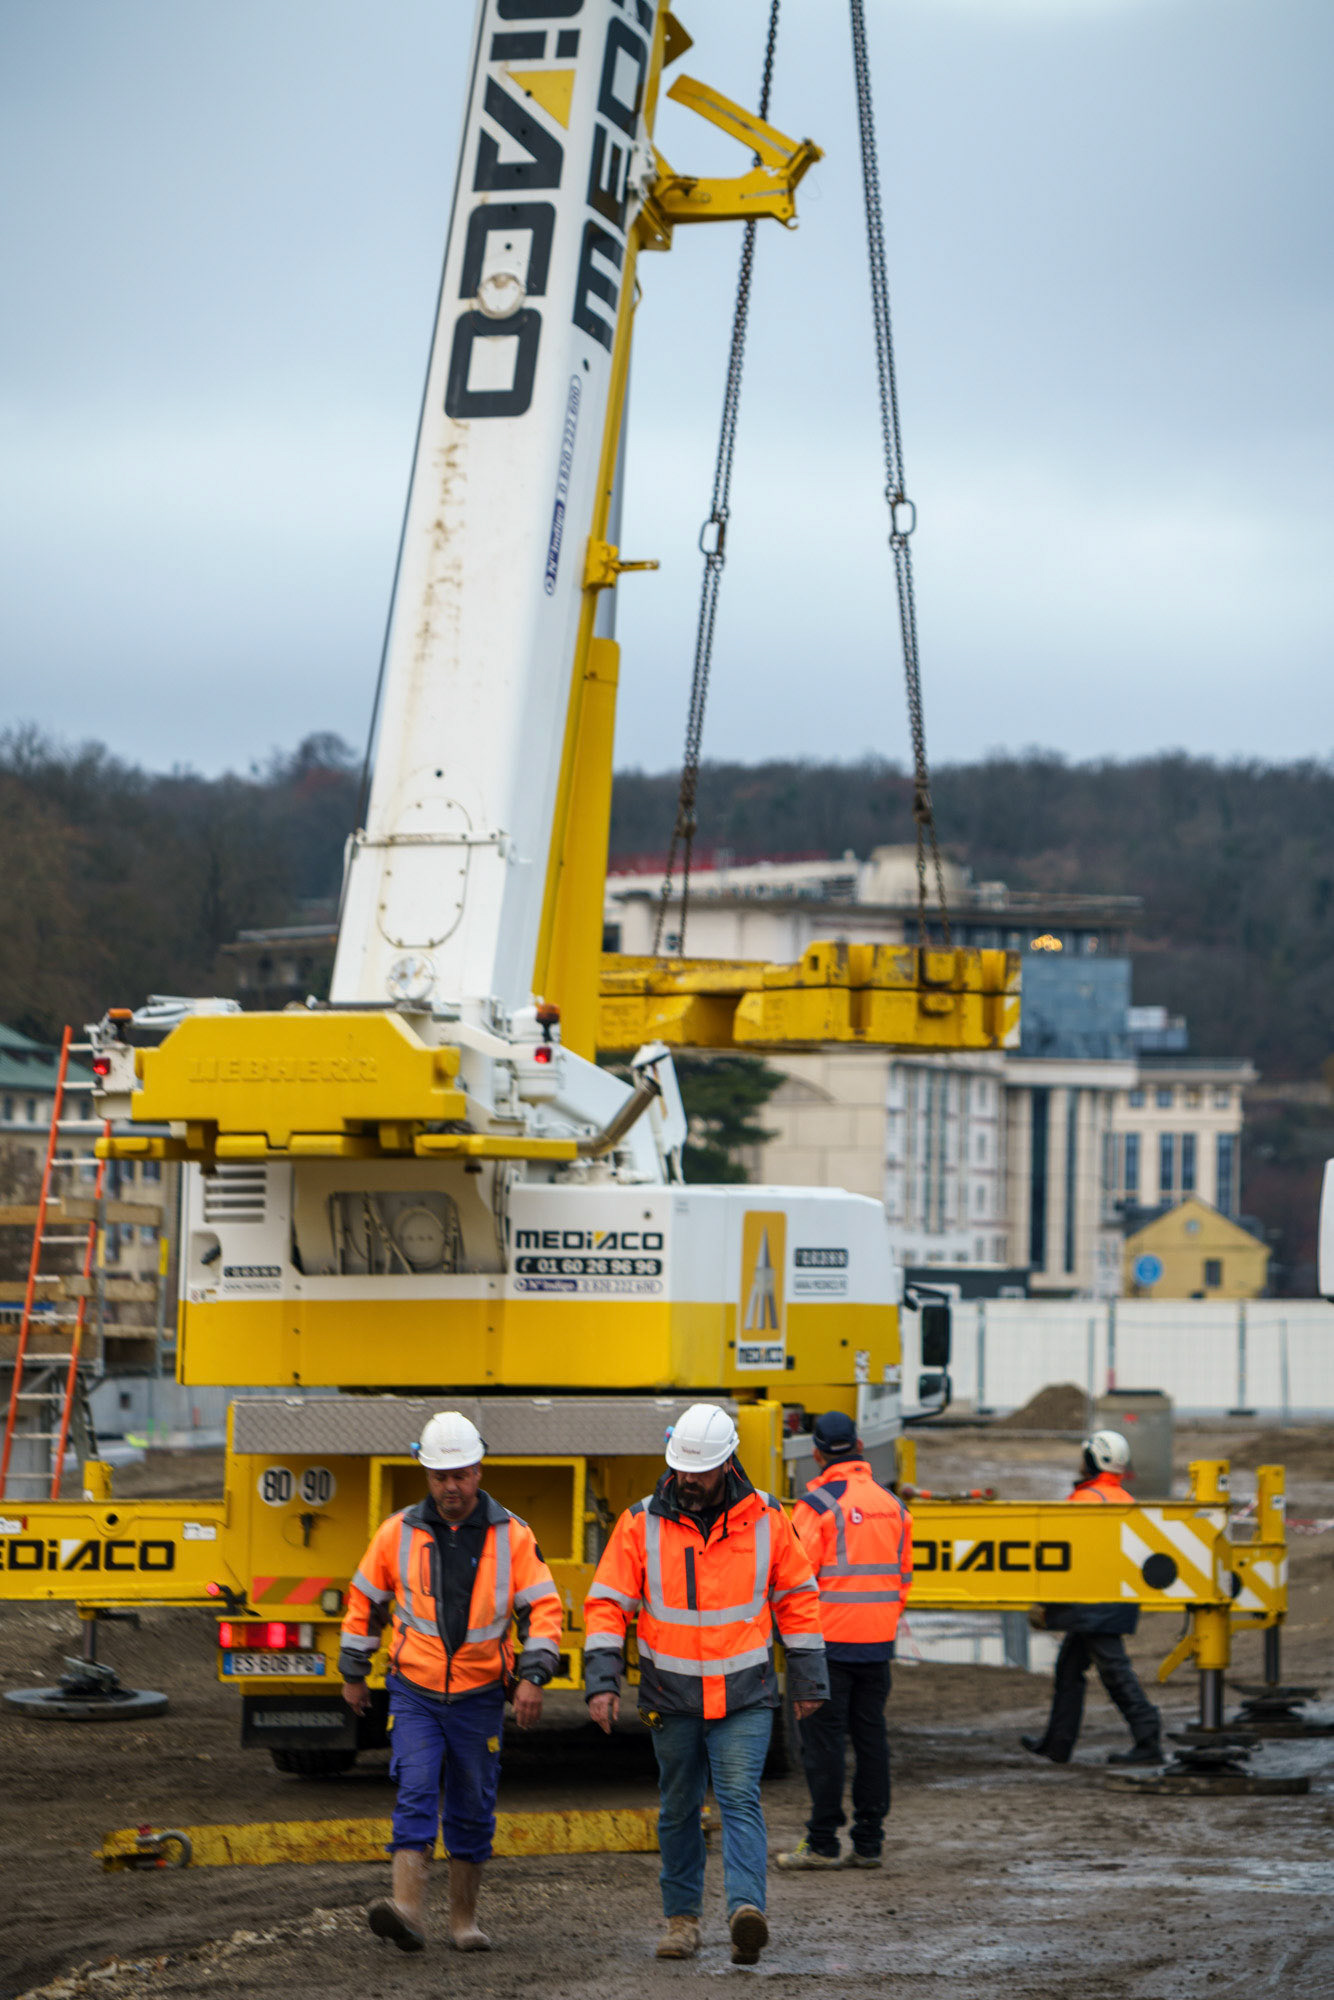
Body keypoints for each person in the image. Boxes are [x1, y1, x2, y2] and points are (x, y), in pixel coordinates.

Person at [584, 1402, 828, 1966]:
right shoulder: (639, 1522)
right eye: (682, 1470)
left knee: (740, 1797)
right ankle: (682, 1922)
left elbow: (798, 1599)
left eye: (700, 1471)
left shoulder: (767, 1520)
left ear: (727, 1463)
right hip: (670, 1699)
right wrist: (602, 1681)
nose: (689, 1481)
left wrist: (809, 1680)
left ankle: (746, 1911)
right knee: (678, 1807)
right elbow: (606, 1606)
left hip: (744, 1696)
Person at [340, 1410, 562, 1952]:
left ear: (479, 1471)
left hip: (480, 1695)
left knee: (471, 1803)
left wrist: (533, 1677)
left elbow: (545, 1611)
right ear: (426, 1476)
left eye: (460, 1475)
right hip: (415, 1690)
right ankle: (408, 1910)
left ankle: (463, 1922)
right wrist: (353, 1671)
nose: (451, 1487)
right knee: (416, 1789)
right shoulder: (397, 1533)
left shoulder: (513, 1536)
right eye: (441, 1477)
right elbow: (364, 1600)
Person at [776, 1410, 911, 1871]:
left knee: (824, 1744)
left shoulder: (816, 1505)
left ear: (816, 1453)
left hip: (826, 1645)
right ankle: (869, 1843)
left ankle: (822, 1843)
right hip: (877, 1643)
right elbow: (903, 1578)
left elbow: (795, 1577)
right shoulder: (894, 1506)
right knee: (871, 1740)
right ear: (858, 1446)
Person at [1021, 1429, 1163, 1767]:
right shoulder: (1124, 1499)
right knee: (1069, 1668)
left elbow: (1067, 1558)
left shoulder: (1086, 1500)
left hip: (1094, 1602)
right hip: (1113, 1597)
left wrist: (1047, 1601)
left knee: (1114, 1669)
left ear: (1093, 1461)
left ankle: (1148, 1735)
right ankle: (1057, 1744)